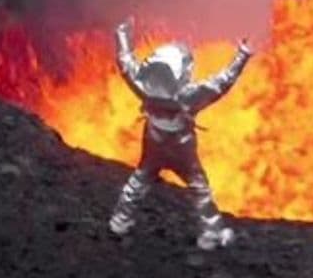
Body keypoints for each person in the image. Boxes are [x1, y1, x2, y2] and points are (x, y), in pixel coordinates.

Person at [107, 18, 252, 250]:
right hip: (181, 147)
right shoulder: (187, 96)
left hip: (153, 140)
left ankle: (119, 221)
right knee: (198, 187)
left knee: (139, 179)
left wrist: (122, 34)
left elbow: (125, 63)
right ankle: (211, 232)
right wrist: (242, 56)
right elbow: (221, 82)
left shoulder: (143, 87)